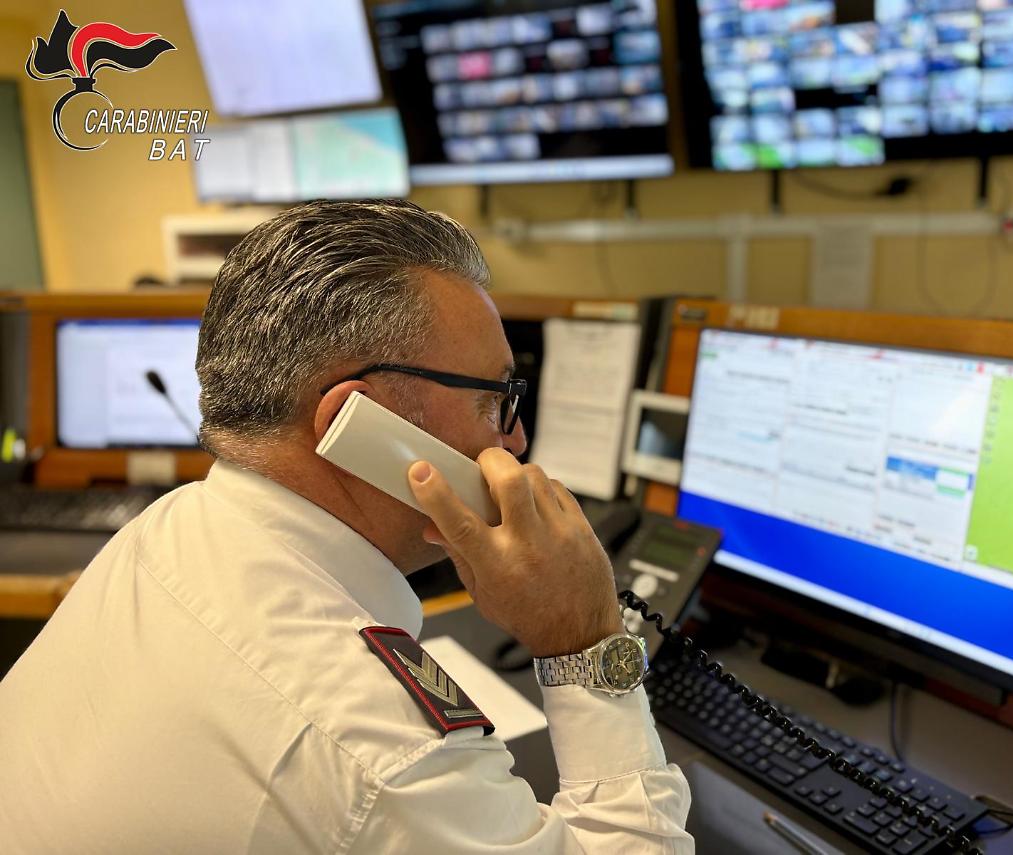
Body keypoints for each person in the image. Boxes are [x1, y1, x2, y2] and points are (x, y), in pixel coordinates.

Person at [0, 200, 693, 853]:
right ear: (356, 425)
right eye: (496, 399)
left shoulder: (165, 530)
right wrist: (583, 639)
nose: (514, 442)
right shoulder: (384, 753)